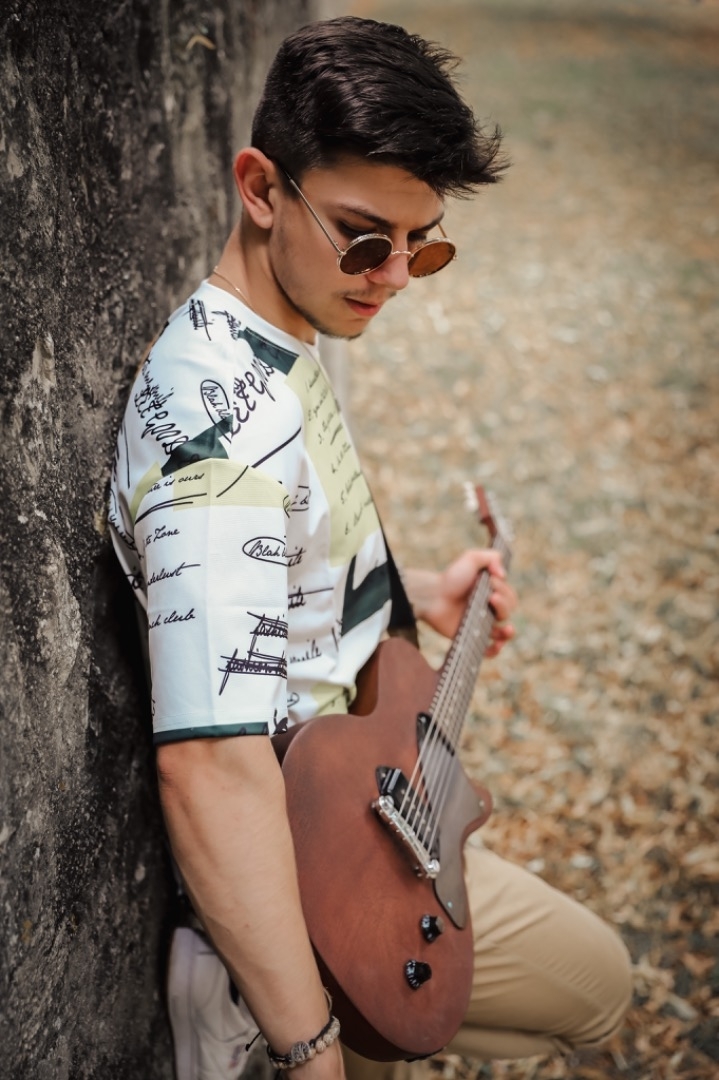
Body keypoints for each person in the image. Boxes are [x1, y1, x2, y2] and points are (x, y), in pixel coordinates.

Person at [108, 16, 632, 1080]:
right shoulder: (218, 436)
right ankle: (269, 1001)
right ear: (261, 188)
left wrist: (415, 594)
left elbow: (288, 557)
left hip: (363, 781)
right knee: (599, 989)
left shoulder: (279, 335)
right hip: (313, 849)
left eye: (422, 245)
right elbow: (209, 768)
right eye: (363, 239)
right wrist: (308, 1047)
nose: (392, 276)